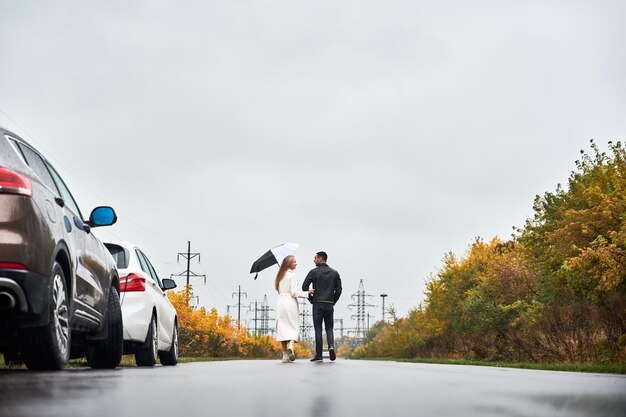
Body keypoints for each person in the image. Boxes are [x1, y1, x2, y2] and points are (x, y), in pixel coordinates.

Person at [302, 251, 342, 362]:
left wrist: (311, 299)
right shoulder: (335, 273)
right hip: (329, 304)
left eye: (315, 258)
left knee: (318, 330)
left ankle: (319, 355)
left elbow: (304, 287)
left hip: (317, 304)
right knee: (329, 328)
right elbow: (339, 289)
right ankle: (331, 347)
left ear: (320, 259)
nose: (314, 260)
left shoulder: (313, 272)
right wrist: (333, 301)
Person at [274, 255, 314, 363]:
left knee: (282, 327)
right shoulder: (292, 275)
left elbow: (278, 290)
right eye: (294, 262)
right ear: (289, 264)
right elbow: (294, 293)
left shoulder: (279, 276)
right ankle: (291, 346)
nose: (296, 263)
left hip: (281, 302)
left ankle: (284, 356)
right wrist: (308, 292)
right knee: (293, 325)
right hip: (290, 302)